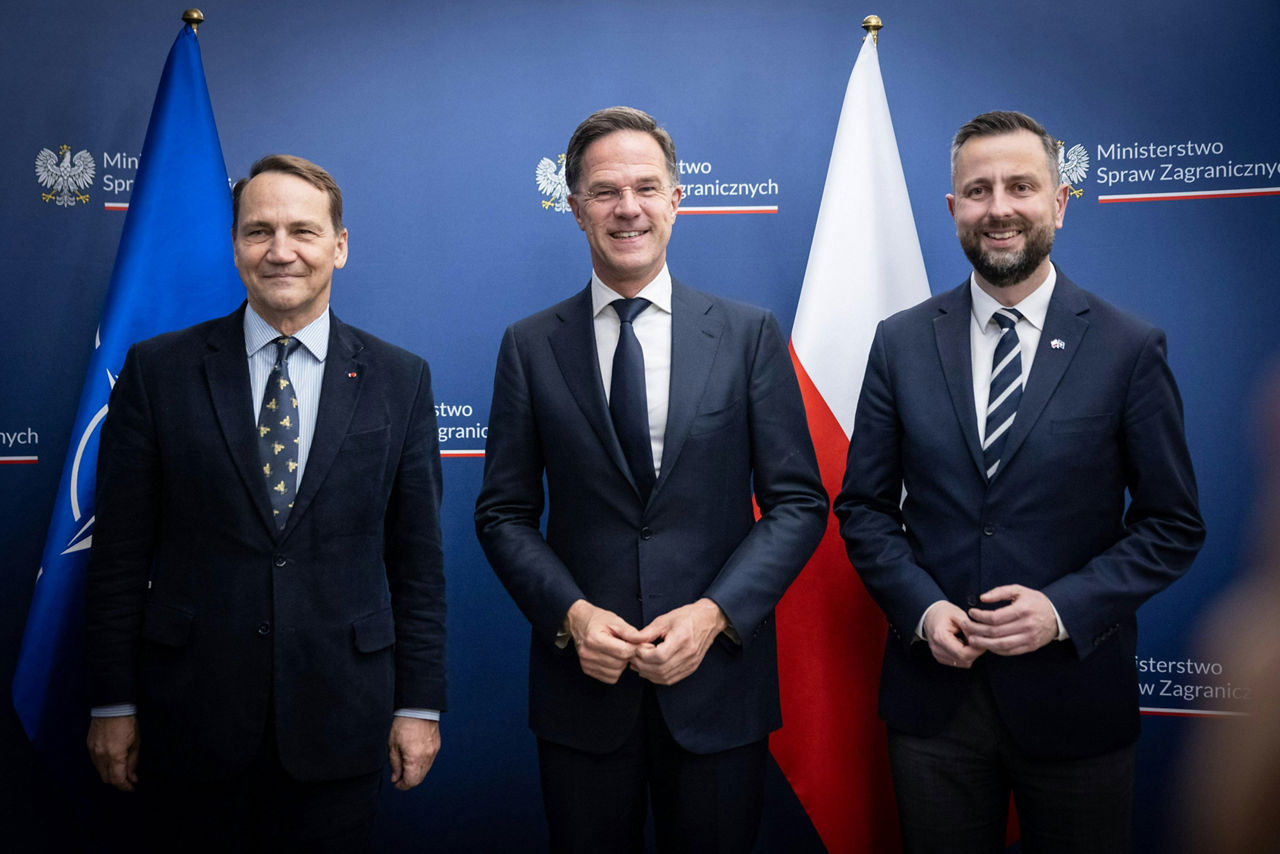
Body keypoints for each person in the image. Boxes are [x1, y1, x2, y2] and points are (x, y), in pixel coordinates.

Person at [834, 110, 1205, 853]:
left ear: (1060, 203)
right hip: (934, 705)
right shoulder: (901, 341)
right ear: (953, 210)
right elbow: (864, 508)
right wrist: (922, 610)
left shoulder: (1129, 347)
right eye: (977, 190)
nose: (998, 208)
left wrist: (1062, 610)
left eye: (1020, 187)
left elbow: (1172, 524)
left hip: (1077, 702)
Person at [474, 106, 827, 853]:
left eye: (645, 187)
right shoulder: (529, 346)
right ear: (575, 211)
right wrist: (571, 617)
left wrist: (714, 616)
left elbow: (798, 503)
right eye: (605, 191)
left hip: (719, 692)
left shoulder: (747, 333)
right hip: (582, 696)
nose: (626, 207)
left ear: (677, 199)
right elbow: (504, 513)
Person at [84, 154, 446, 851]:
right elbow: (119, 558)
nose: (280, 251)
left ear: (339, 245)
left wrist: (420, 704)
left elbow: (419, 564)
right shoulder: (157, 372)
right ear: (235, 245)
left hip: (340, 723)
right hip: (188, 722)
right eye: (259, 231)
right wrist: (113, 702)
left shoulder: (400, 379)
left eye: (303, 232)